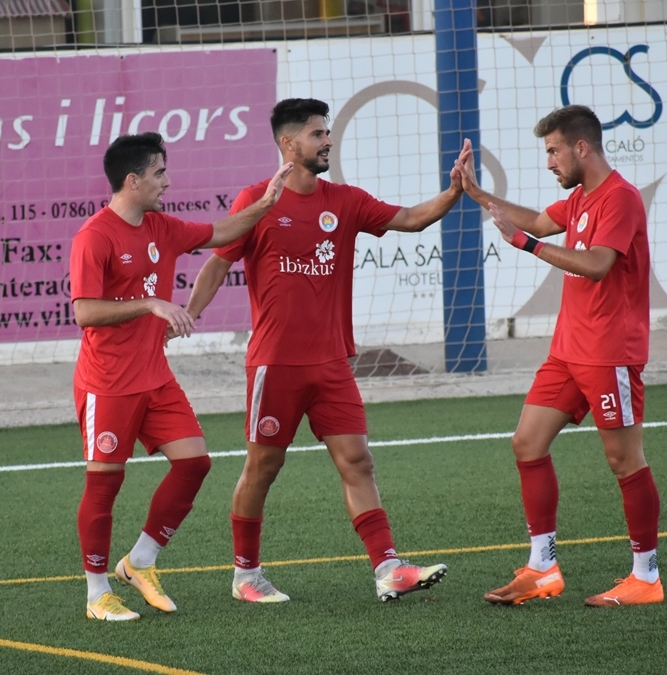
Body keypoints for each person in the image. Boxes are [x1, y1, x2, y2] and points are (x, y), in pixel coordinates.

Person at [185, 98, 470, 603]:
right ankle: (245, 576)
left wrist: (452, 193)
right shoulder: (257, 199)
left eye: (328, 133)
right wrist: (189, 312)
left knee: (357, 460)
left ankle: (388, 567)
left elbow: (408, 219)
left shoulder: (345, 200)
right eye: (318, 134)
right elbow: (216, 264)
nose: (328, 142)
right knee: (262, 468)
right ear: (289, 144)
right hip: (276, 364)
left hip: (332, 363)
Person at [71, 132, 292, 621]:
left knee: (194, 463)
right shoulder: (95, 236)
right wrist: (149, 303)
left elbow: (221, 231)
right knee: (104, 484)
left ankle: (140, 562)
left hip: (155, 378)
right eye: (159, 173)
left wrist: (266, 201)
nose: (167, 182)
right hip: (107, 383)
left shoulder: (162, 227)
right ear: (133, 180)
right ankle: (96, 594)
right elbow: (85, 311)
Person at [453, 104, 663, 607]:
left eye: (553, 151)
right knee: (527, 443)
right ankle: (543, 567)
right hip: (568, 351)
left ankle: (646, 576)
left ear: (581, 147)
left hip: (610, 353)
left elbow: (595, 265)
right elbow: (540, 221)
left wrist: (524, 243)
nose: (549, 162)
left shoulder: (621, 198)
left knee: (623, 459)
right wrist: (480, 195)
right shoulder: (581, 199)